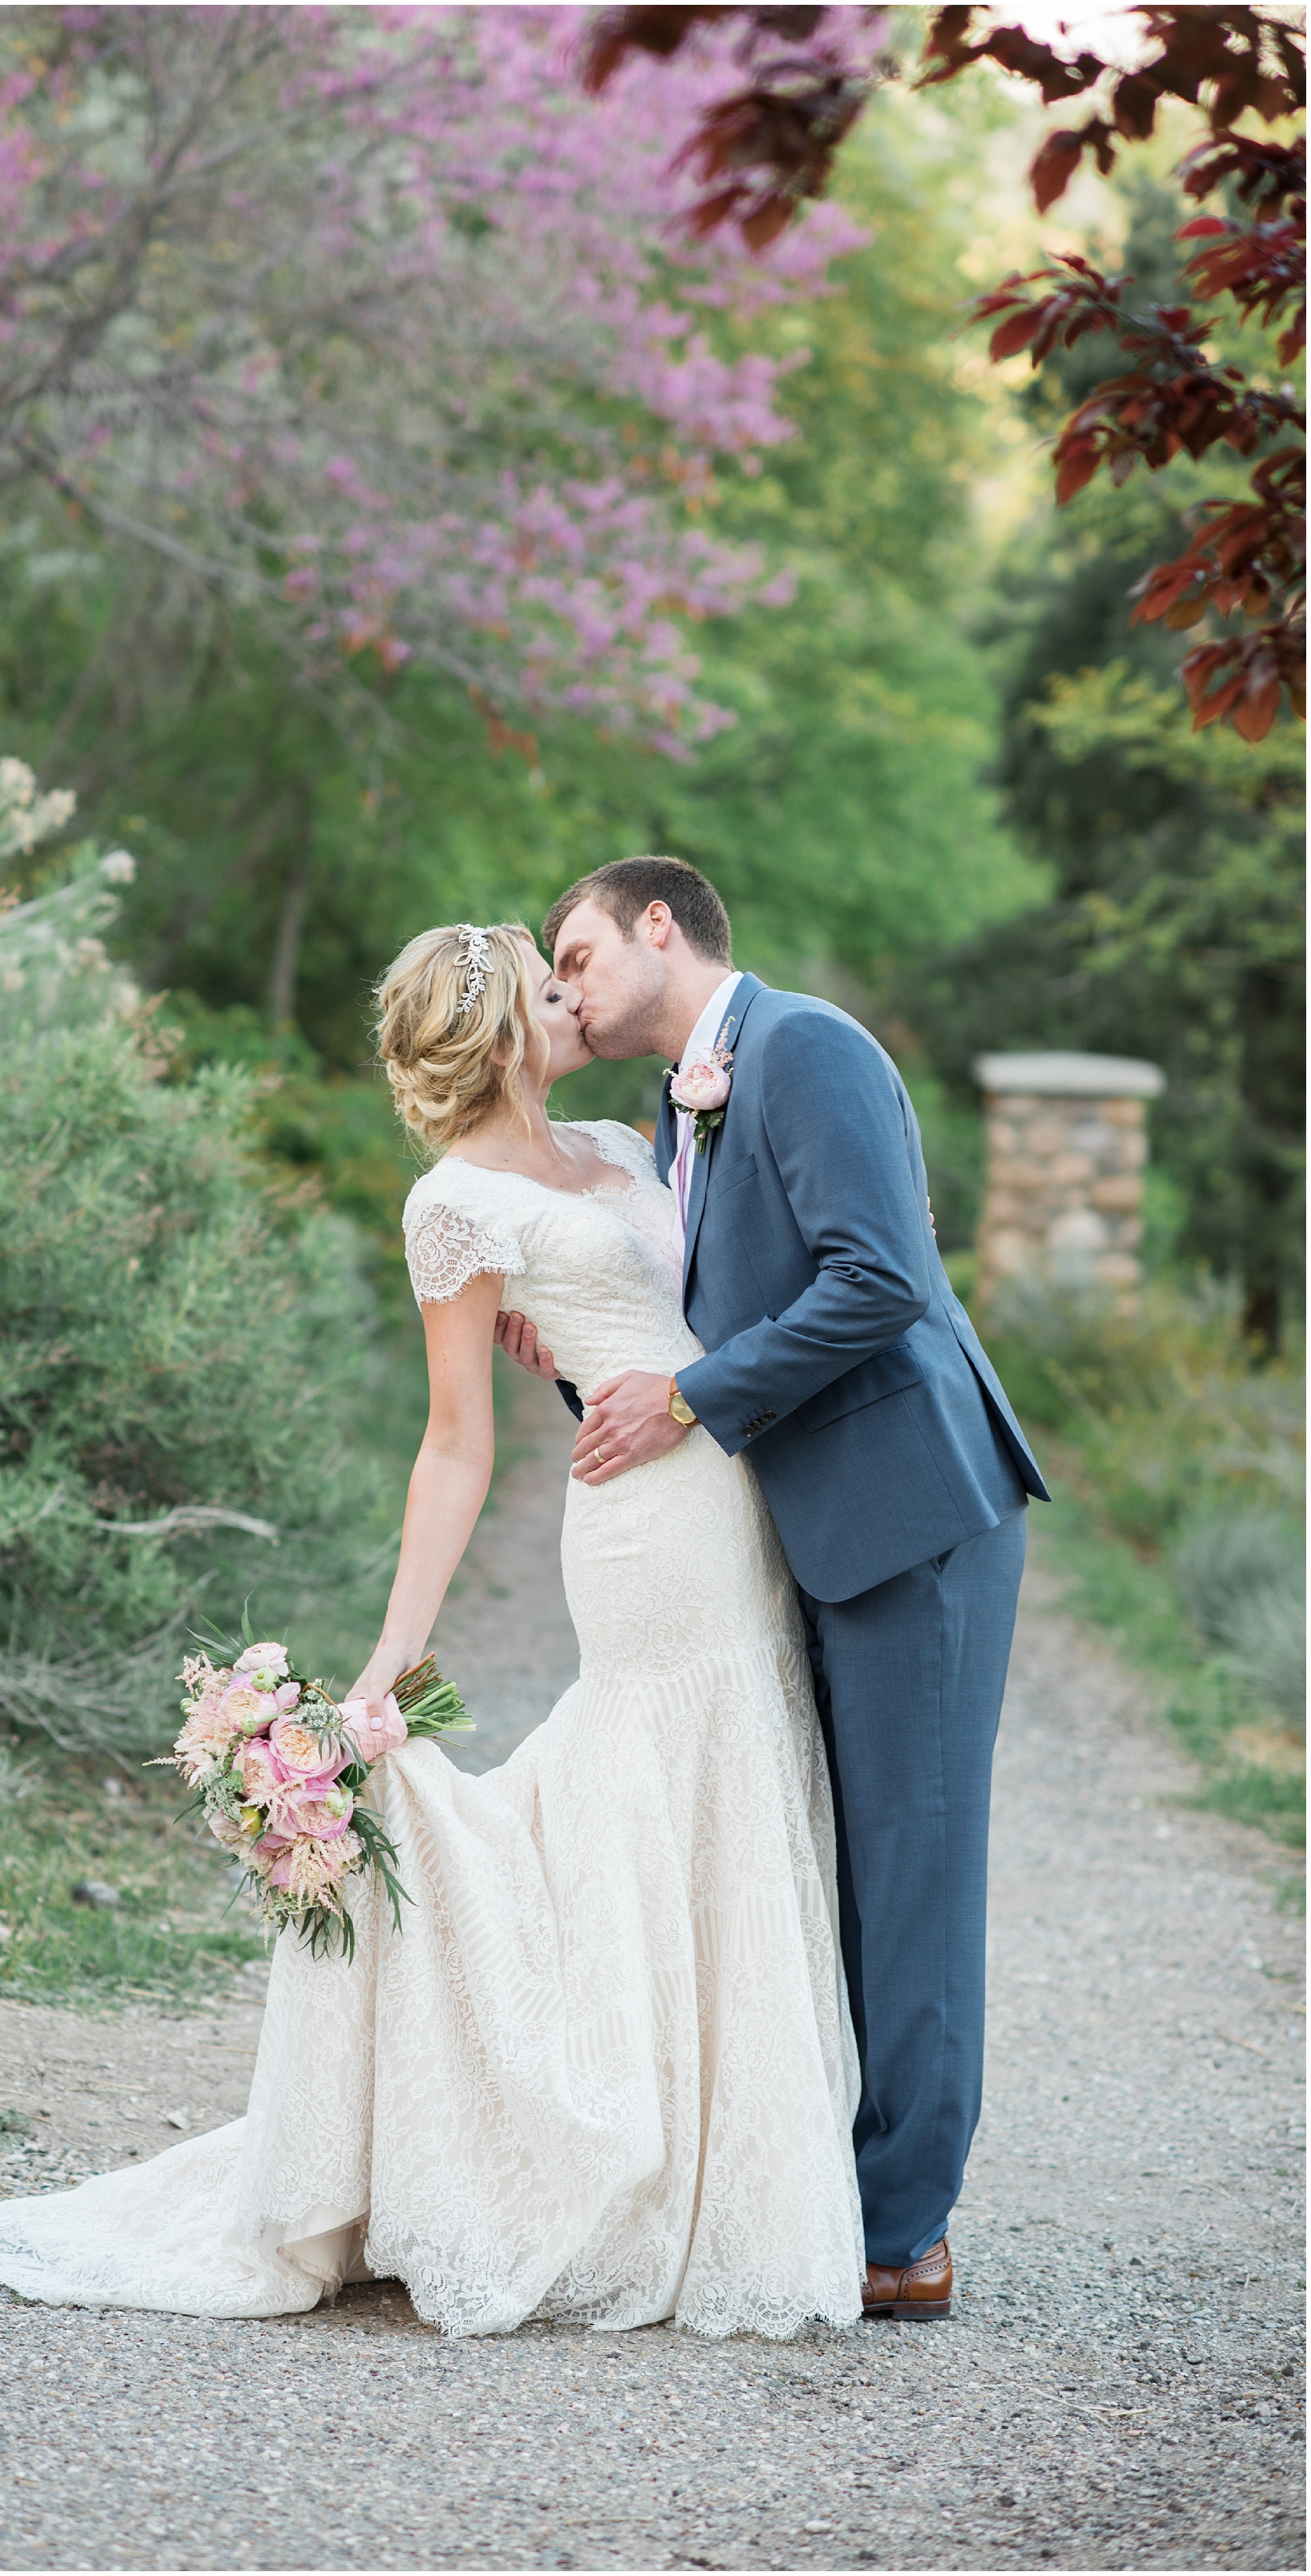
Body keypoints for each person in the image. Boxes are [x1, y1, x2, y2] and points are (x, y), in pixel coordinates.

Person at [0, 918, 869, 2340]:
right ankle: (589, 2145)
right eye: (548, 981)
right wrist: (393, 1652)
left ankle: (714, 2143)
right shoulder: (452, 1206)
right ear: (506, 1024)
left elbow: (705, 1302)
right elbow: (453, 1445)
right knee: (654, 1785)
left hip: (738, 1506)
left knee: (727, 1792)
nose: (574, 995)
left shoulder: (629, 1148)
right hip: (640, 1534)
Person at [497, 855, 1047, 2320]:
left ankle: (903, 2233)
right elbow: (710, 1338)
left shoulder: (803, 1046)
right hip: (806, 1527)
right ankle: (832, 2188)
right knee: (830, 1861)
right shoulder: (682, 1118)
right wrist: (588, 1372)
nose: (563, 988)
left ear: (658, 927)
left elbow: (877, 1284)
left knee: (909, 1872)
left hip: (911, 1517)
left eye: (578, 953)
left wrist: (681, 1393)